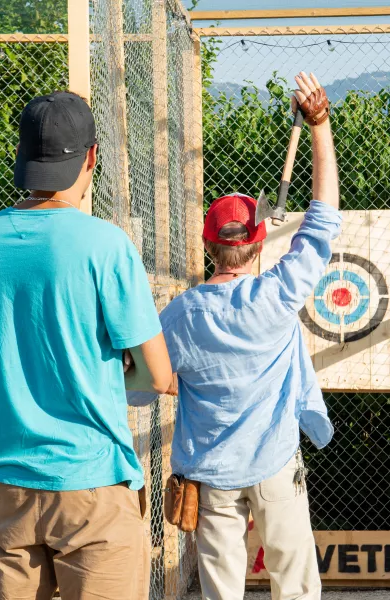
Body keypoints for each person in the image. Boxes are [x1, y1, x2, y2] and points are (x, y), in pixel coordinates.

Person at [130, 72, 339, 600]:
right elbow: (324, 216)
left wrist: (189, 383)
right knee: (296, 585)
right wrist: (321, 126)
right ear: (259, 245)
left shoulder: (179, 315)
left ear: (208, 247)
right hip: (273, 463)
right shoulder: (278, 295)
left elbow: (152, 379)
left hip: (210, 474)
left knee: (222, 590)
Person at [0, 91, 172, 600]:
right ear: (91, 157)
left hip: (7, 486)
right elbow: (158, 376)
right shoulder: (105, 243)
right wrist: (112, 374)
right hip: (92, 483)